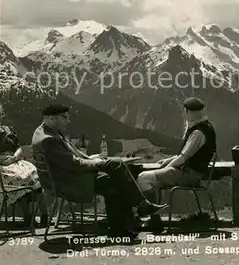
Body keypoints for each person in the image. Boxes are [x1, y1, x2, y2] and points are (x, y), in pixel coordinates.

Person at [31, 103, 167, 238]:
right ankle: (138, 209)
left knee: (114, 181)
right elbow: (73, 163)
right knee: (117, 166)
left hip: (67, 178)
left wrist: (89, 157)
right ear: (52, 119)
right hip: (69, 183)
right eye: (64, 117)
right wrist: (95, 162)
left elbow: (67, 158)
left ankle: (121, 226)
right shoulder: (49, 139)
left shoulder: (45, 132)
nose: (68, 120)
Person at [137, 97, 217, 232]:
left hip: (189, 174)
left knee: (143, 178)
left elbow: (183, 158)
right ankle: (152, 217)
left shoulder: (197, 133)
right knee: (149, 176)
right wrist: (167, 161)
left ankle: (154, 220)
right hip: (193, 172)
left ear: (188, 112)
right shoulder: (205, 128)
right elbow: (185, 154)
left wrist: (168, 167)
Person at [0, 103, 47, 226]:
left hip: (14, 160)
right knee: (20, 178)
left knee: (32, 172)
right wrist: (3, 159)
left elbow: (19, 147)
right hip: (2, 165)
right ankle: (28, 216)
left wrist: (15, 157)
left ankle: (44, 214)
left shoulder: (8, 130)